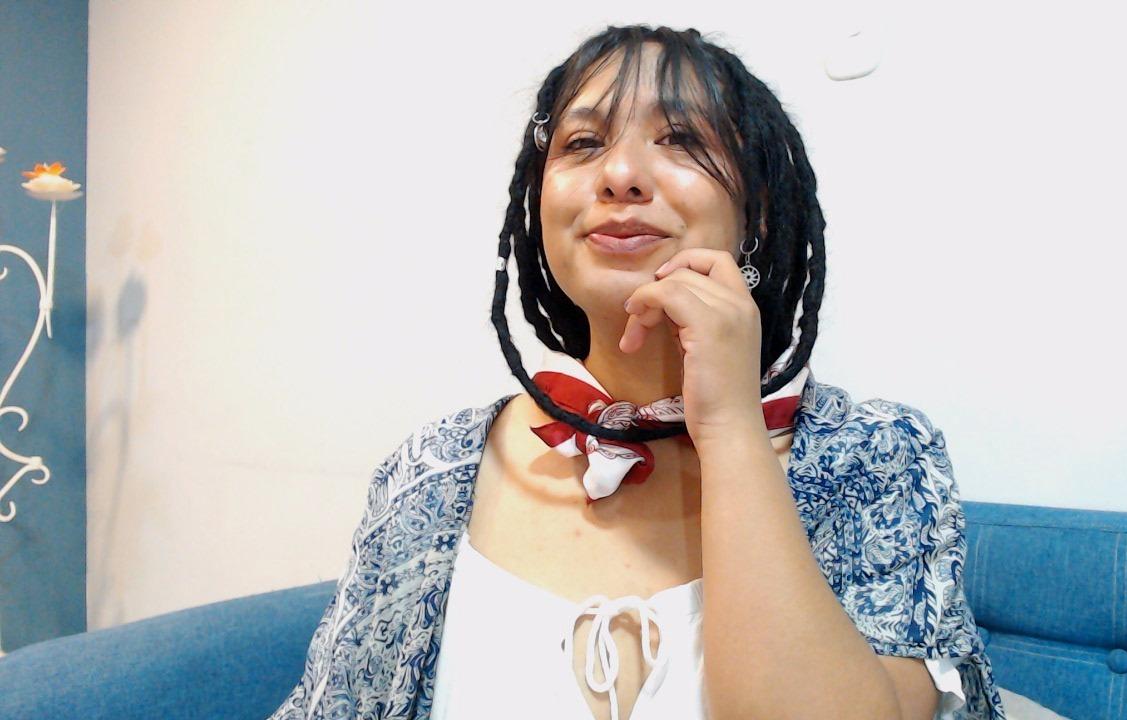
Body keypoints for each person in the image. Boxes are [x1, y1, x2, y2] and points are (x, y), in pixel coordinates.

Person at [269, 24, 1007, 720]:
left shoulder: (878, 455)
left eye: (681, 139)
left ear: (755, 210)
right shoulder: (429, 470)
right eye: (583, 143)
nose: (620, 175)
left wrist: (728, 428)